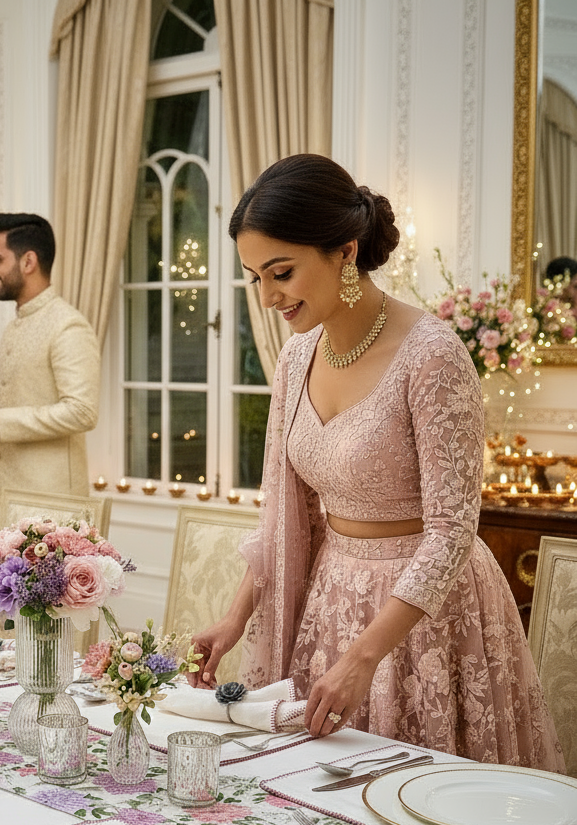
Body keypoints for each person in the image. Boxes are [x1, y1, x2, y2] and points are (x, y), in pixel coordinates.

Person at [192, 154, 564, 772]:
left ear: (344, 251)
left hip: (430, 617)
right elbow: (290, 518)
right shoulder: (295, 359)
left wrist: (366, 656)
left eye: (280, 272)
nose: (267, 296)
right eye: (255, 277)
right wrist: (235, 618)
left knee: (425, 819)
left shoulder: (432, 356)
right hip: (332, 599)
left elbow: (451, 533)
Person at [0, 213, 100, 519]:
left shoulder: (69, 326)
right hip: (10, 498)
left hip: (53, 507)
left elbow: (82, 411)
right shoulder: (16, 326)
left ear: (28, 262)